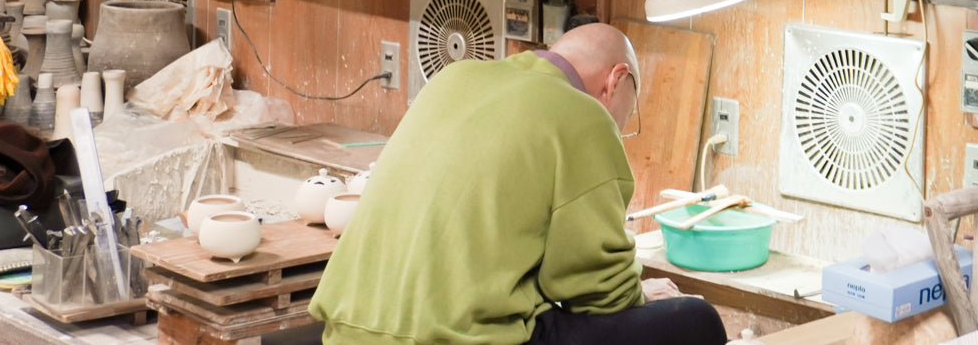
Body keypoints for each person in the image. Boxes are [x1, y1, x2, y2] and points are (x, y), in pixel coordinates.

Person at [310, 22, 727, 345]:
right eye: (627, 113)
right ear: (615, 81)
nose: (620, 128)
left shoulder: (453, 80)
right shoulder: (584, 115)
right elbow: (595, 289)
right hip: (459, 338)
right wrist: (641, 294)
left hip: (347, 332)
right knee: (695, 321)